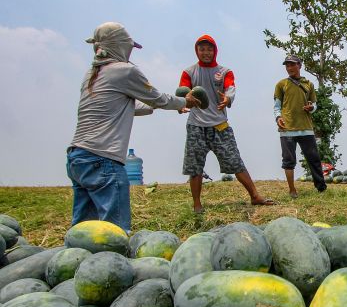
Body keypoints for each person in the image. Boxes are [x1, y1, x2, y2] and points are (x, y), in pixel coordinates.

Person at [68, 22, 199, 232]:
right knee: (115, 232)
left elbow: (130, 105)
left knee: (83, 231)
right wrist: (185, 102)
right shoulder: (124, 71)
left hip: (78, 157)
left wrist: (161, 106)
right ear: (119, 46)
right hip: (103, 159)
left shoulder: (91, 75)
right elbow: (157, 97)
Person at [180, 35, 274, 213]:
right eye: (202, 49)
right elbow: (183, 90)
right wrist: (183, 100)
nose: (206, 52)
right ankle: (197, 204)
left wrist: (228, 98)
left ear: (215, 51)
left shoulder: (224, 71)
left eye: (209, 49)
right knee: (195, 167)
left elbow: (231, 87)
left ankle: (255, 196)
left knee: (235, 161)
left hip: (220, 125)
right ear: (197, 51)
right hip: (196, 126)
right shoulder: (189, 72)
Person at [274, 55, 326, 198]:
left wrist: (312, 108)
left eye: (292, 65)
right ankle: (292, 190)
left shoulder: (309, 84)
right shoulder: (281, 84)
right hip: (287, 129)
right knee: (289, 161)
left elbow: (314, 104)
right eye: (287, 65)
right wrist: (278, 117)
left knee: (314, 159)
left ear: (299, 65)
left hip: (306, 128)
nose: (289, 68)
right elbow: (277, 106)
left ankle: (321, 188)